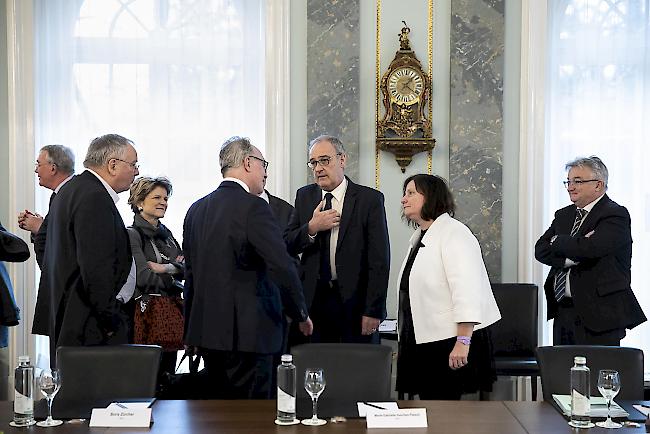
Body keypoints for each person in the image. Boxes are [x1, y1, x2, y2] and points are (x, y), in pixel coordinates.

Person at [183, 136, 313, 399]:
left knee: (218, 417)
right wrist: (300, 312)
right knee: (252, 419)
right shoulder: (254, 207)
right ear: (247, 163)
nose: (265, 171)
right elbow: (281, 266)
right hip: (250, 337)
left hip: (208, 335)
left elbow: (191, 276)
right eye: (263, 164)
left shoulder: (195, 210)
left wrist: (190, 331)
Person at [396, 174, 501, 400]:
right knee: (429, 407)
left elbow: (467, 290)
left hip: (449, 340)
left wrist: (463, 342)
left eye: (411, 193)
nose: (404, 199)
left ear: (431, 197)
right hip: (425, 337)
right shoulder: (420, 236)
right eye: (404, 194)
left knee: (444, 412)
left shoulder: (455, 233)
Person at [39, 134, 139, 365]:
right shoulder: (94, 197)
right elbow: (96, 270)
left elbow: (43, 243)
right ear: (112, 165)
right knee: (98, 399)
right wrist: (112, 321)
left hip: (70, 318)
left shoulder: (69, 190)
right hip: (91, 326)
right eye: (133, 165)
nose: (136, 172)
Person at [285, 135, 390, 344]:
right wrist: (311, 228)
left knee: (354, 370)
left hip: (356, 305)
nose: (318, 168)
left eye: (325, 160)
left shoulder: (369, 200)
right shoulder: (304, 196)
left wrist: (374, 310)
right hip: (314, 305)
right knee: (315, 370)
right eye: (313, 163)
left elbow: (379, 260)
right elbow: (287, 243)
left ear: (342, 160)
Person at [535, 156, 646, 345]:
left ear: (598, 185)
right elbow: (541, 250)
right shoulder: (564, 215)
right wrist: (570, 256)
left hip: (600, 314)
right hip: (564, 311)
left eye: (577, 181)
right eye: (568, 182)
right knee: (561, 371)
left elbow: (591, 248)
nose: (570, 187)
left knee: (598, 372)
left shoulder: (615, 214)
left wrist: (558, 241)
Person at [127, 176, 184, 378]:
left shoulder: (168, 236)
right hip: (147, 316)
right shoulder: (132, 234)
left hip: (171, 314)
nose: (163, 202)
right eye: (157, 197)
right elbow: (142, 276)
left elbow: (187, 268)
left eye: (166, 198)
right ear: (140, 202)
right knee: (149, 377)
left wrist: (164, 269)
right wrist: (175, 274)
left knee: (168, 376)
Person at [18, 144, 75, 267]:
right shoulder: (59, 194)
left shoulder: (74, 194)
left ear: (53, 168)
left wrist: (40, 228)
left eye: (38, 164)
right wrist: (42, 225)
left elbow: (72, 243)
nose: (36, 170)